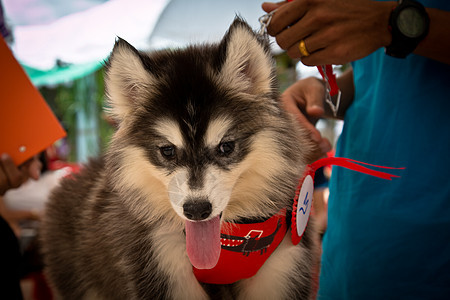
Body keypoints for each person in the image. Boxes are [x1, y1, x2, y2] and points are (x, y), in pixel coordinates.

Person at [262, 0, 450, 299]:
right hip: (351, 248)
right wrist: (324, 95)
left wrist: (392, 22)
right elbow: (383, 78)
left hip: (432, 253)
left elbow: (393, 33)